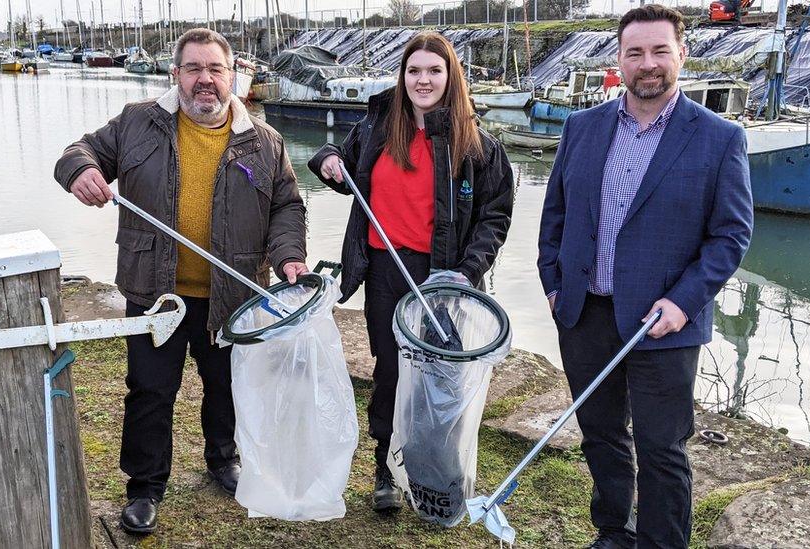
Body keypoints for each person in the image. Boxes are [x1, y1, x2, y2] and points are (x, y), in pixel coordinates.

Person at [53, 28, 307, 534]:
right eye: (193, 69)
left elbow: (286, 207)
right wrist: (79, 169)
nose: (205, 80)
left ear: (233, 76)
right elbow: (78, 151)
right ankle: (145, 487)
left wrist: (290, 258)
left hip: (231, 296)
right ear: (176, 75)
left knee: (226, 385)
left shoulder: (266, 142)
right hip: (155, 294)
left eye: (215, 69)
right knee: (149, 390)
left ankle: (222, 459)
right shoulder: (136, 123)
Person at [537, 5, 753, 548]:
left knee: (662, 448)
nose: (648, 64)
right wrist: (554, 283)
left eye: (660, 51)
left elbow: (730, 235)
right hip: (585, 312)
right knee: (602, 435)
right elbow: (556, 215)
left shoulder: (719, 137)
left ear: (681, 54)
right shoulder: (581, 127)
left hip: (665, 322)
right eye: (635, 52)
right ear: (620, 59)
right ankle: (615, 531)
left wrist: (683, 302)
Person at [307, 31, 514, 513]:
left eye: (434, 71)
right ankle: (385, 469)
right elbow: (344, 168)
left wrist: (467, 272)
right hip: (384, 270)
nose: (423, 80)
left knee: (440, 378)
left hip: (444, 280)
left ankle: (434, 474)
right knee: (390, 371)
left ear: (450, 76)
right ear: (403, 76)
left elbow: (495, 217)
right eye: (414, 71)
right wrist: (327, 161)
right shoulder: (379, 126)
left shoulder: (478, 146)